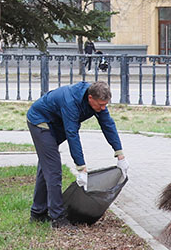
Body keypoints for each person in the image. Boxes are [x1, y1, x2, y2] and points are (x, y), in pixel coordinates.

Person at [26, 80, 127, 228]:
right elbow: (72, 134)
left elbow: (108, 124)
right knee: (53, 170)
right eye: (100, 104)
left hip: (56, 124)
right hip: (41, 122)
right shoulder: (71, 101)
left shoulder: (96, 100)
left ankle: (38, 213)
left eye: (106, 104)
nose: (103, 108)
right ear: (90, 98)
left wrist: (120, 154)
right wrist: (81, 168)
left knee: (47, 167)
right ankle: (58, 218)